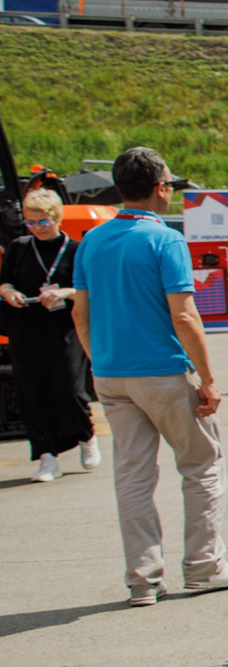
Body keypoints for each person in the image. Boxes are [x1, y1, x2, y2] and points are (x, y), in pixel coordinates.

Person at [68, 146, 228, 605]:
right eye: (171, 185)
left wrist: (99, 362)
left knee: (132, 476)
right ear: (160, 189)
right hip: (163, 371)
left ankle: (143, 578)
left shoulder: (92, 240)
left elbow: (80, 312)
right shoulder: (165, 239)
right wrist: (208, 378)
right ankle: (204, 565)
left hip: (113, 373)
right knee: (202, 465)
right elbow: (186, 316)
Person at [1, 188, 101, 481]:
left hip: (65, 327)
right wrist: (10, 294)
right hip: (27, 327)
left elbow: (87, 290)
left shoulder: (76, 249)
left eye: (42, 222)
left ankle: (85, 435)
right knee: (31, 390)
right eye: (30, 222)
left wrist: (64, 292)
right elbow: (4, 282)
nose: (36, 228)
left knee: (70, 387)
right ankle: (46, 457)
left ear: (57, 218)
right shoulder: (19, 248)